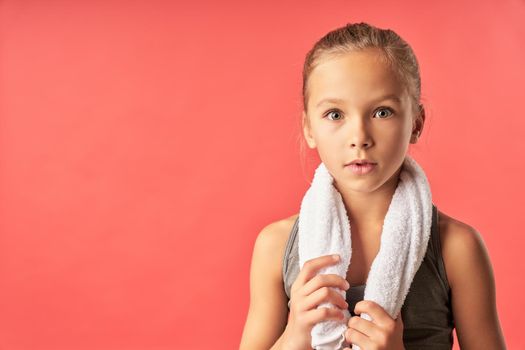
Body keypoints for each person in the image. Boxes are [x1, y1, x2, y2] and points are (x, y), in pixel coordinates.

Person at [239, 22, 506, 350]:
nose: (359, 138)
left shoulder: (456, 248)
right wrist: (295, 336)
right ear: (309, 128)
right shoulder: (276, 246)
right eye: (335, 115)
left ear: (416, 124)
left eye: (382, 112)